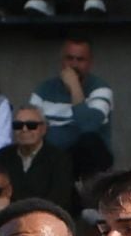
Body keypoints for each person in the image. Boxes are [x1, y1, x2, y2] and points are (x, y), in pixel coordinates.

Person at [30, 37, 115, 184]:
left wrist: (74, 87)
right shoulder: (43, 90)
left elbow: (88, 126)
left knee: (90, 140)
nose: (74, 64)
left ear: (90, 63)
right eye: (69, 58)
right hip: (54, 158)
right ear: (61, 61)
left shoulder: (101, 89)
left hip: (87, 161)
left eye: (80, 59)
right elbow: (31, 127)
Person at [0, 107, 76, 213]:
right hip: (8, 218)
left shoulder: (59, 159)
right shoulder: (1, 156)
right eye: (18, 126)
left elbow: (60, 199)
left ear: (43, 129)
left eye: (31, 125)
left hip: (46, 220)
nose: (24, 129)